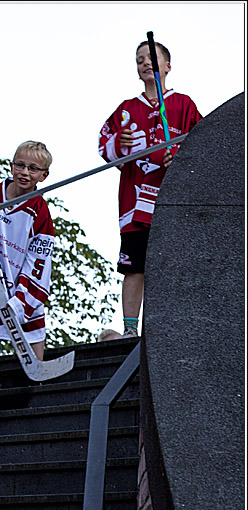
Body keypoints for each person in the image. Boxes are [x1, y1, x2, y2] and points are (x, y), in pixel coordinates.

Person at [98, 39, 202, 337]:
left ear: (167, 66)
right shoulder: (127, 109)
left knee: (173, 266)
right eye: (139, 59)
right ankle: (130, 330)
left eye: (152, 58)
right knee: (134, 267)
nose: (145, 63)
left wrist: (181, 156)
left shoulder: (183, 104)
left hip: (172, 202)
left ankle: (170, 329)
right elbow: (104, 146)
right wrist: (120, 143)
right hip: (135, 203)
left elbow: (204, 145)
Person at [0, 141, 55, 391]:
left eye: (33, 169)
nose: (25, 173)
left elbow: (40, 256)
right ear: (12, 166)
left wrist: (22, 295)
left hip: (21, 275)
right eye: (21, 165)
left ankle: (35, 373)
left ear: (44, 175)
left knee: (33, 318)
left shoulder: (40, 210)